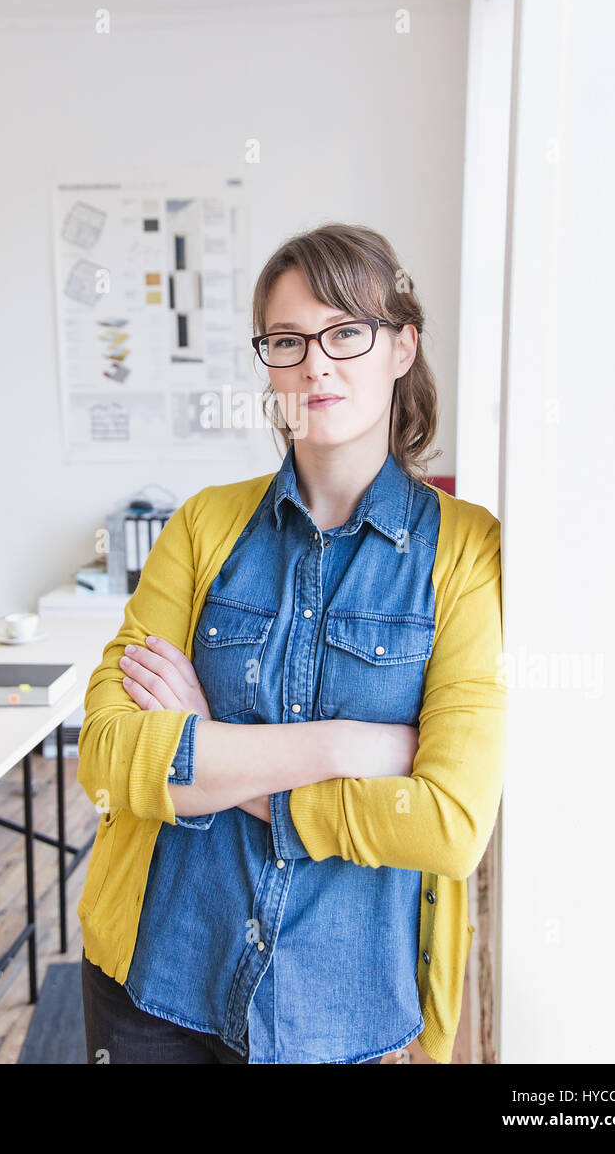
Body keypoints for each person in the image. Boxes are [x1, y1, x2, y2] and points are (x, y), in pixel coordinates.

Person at [78, 221, 506, 1064]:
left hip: (343, 1019)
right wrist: (353, 746)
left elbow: (449, 824)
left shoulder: (464, 549)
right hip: (155, 987)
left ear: (401, 347)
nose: (317, 363)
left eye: (347, 331)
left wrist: (212, 756)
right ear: (267, 363)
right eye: (288, 340)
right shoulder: (204, 525)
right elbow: (108, 753)